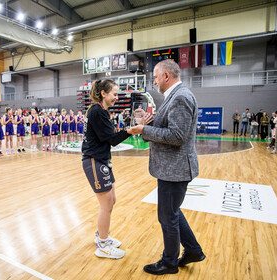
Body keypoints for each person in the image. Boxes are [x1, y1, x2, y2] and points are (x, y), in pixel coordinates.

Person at [128, 60, 205, 275]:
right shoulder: (176, 95)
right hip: (174, 167)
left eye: (155, 77)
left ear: (166, 76)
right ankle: (193, 251)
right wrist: (148, 124)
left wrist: (143, 129)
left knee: (167, 217)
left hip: (175, 169)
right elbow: (169, 129)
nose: (154, 81)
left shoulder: (180, 97)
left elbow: (177, 136)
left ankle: (170, 262)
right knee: (172, 212)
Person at [82, 79, 132, 260]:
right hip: (94, 160)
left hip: (102, 161)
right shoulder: (97, 112)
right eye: (114, 94)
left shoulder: (99, 111)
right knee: (106, 204)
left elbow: (107, 138)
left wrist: (128, 130)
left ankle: (102, 235)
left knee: (111, 200)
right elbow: (111, 139)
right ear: (103, 93)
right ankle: (102, 244)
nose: (116, 98)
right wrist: (130, 131)